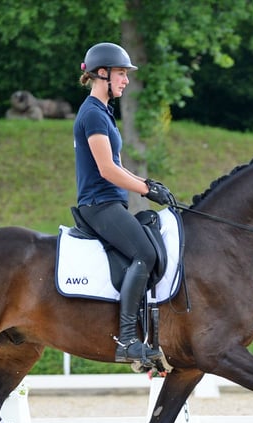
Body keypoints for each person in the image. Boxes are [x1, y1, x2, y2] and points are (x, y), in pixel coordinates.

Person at [74, 42, 174, 365]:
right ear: (101, 74)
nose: (126, 80)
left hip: (109, 203)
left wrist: (150, 184)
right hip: (98, 204)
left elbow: (117, 166)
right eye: (121, 74)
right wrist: (145, 189)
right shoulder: (92, 113)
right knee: (144, 253)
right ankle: (128, 340)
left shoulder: (103, 112)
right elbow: (106, 169)